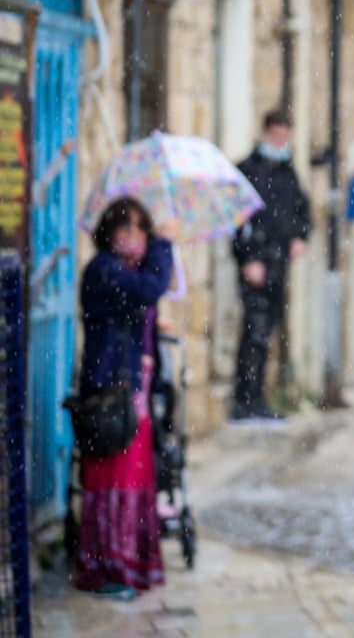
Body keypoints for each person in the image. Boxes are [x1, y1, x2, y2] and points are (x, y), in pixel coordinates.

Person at [74, 198, 177, 598]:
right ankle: (108, 569)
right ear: (108, 233)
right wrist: (165, 245)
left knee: (134, 479)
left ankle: (131, 564)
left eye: (140, 229)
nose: (132, 237)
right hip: (110, 394)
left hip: (134, 392)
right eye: (124, 229)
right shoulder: (104, 270)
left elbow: (139, 306)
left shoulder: (125, 272)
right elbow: (148, 289)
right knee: (113, 480)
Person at [231, 110, 311, 421]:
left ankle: (259, 398)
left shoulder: (287, 172)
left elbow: (301, 211)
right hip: (255, 265)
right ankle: (244, 398)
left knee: (267, 332)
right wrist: (249, 257)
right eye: (276, 135)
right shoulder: (247, 171)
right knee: (254, 331)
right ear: (265, 133)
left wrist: (299, 237)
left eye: (284, 137)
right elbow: (239, 221)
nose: (280, 142)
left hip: (279, 265)